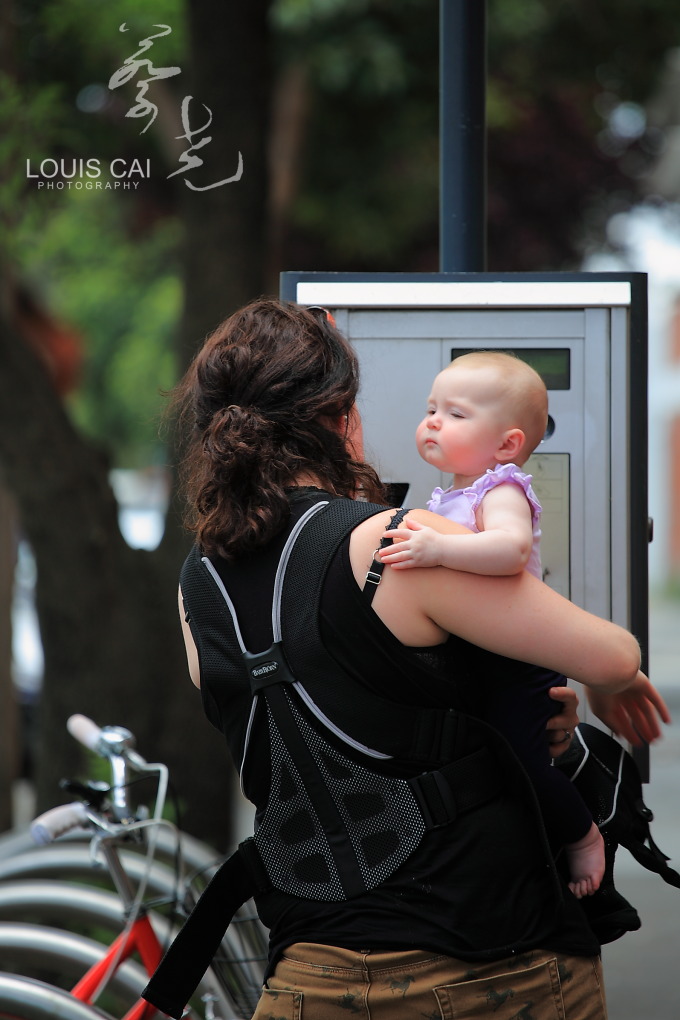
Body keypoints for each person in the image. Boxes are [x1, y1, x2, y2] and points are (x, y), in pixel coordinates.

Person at [152, 299, 669, 1020]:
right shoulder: (393, 543)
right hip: (487, 964)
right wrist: (603, 683)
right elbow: (612, 653)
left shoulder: (196, 584)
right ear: (342, 420)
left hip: (307, 972)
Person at [377, 351, 605, 898]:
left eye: (456, 414)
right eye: (431, 409)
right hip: (481, 649)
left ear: (506, 444)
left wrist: (436, 547)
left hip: (518, 654)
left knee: (525, 760)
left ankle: (582, 835)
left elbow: (509, 550)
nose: (433, 421)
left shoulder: (501, 488)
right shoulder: (450, 495)